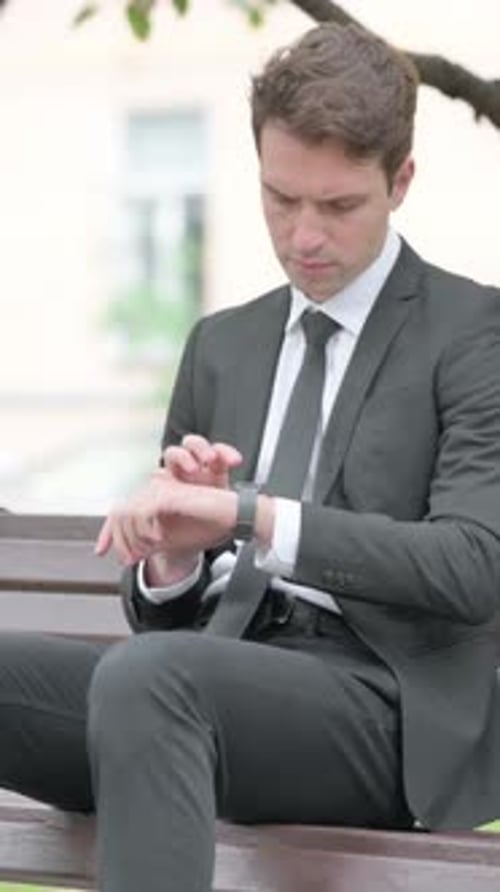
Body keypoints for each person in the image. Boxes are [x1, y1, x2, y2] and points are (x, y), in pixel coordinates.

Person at [1, 22, 500, 892]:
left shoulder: (472, 333)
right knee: (150, 680)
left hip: (383, 715)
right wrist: (174, 560)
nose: (304, 235)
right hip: (204, 692)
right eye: (280, 198)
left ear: (400, 182)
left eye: (338, 206)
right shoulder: (222, 345)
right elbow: (162, 626)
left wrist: (251, 515)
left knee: (156, 683)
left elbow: (472, 564)